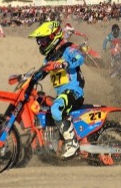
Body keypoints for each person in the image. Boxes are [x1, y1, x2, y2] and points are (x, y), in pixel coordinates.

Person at [28, 21, 85, 159]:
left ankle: (72, 144)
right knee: (43, 109)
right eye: (39, 41)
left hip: (74, 92)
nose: (41, 44)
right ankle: (52, 144)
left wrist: (65, 63)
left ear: (53, 37)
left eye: (43, 40)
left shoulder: (67, 49)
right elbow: (41, 73)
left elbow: (80, 58)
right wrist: (29, 78)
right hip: (62, 94)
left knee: (55, 109)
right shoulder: (48, 58)